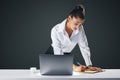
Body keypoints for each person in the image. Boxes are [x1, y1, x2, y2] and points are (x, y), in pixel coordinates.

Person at [45, 4, 103, 72]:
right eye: (76, 23)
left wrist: (89, 66)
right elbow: (58, 54)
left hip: (66, 56)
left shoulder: (80, 29)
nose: (78, 27)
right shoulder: (56, 30)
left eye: (80, 24)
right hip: (52, 55)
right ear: (69, 18)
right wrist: (75, 67)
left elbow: (84, 47)